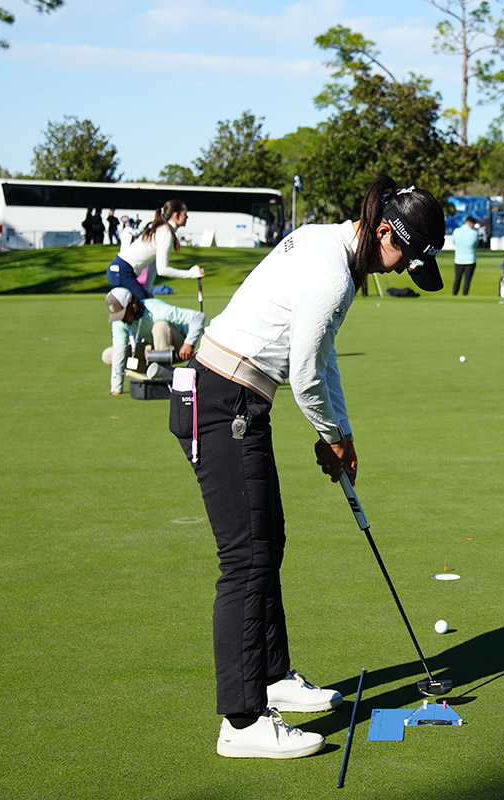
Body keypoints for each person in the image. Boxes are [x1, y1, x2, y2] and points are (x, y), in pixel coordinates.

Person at [169, 176, 446, 759]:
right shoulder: (332, 273)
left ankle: (271, 677)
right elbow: (304, 374)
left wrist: (342, 435)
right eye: (405, 258)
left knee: (267, 543)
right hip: (223, 403)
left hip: (232, 398)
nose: (402, 271)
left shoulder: (328, 244)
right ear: (382, 231)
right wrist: (332, 435)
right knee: (246, 558)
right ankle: (242, 722)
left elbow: (322, 355)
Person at [103, 287, 205, 395]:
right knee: (109, 355)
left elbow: (198, 317)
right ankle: (158, 372)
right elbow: (119, 352)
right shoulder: (120, 322)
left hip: (178, 347)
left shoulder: (156, 309)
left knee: (160, 326)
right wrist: (116, 389)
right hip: (152, 349)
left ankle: (165, 377)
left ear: (132, 304)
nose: (122, 319)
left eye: (123, 314)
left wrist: (189, 343)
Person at [106, 199, 203, 301]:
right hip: (121, 272)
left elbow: (153, 264)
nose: (187, 217)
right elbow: (162, 270)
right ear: (176, 215)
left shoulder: (164, 229)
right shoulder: (165, 232)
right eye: (185, 214)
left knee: (142, 306)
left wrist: (148, 289)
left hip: (120, 271)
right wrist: (191, 274)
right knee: (143, 308)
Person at [452, 216, 481, 295]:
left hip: (458, 258)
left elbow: (454, 242)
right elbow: (476, 244)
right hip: (470, 259)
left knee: (457, 277)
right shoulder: (474, 233)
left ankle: (454, 293)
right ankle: (465, 294)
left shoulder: (456, 231)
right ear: (472, 224)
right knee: (467, 279)